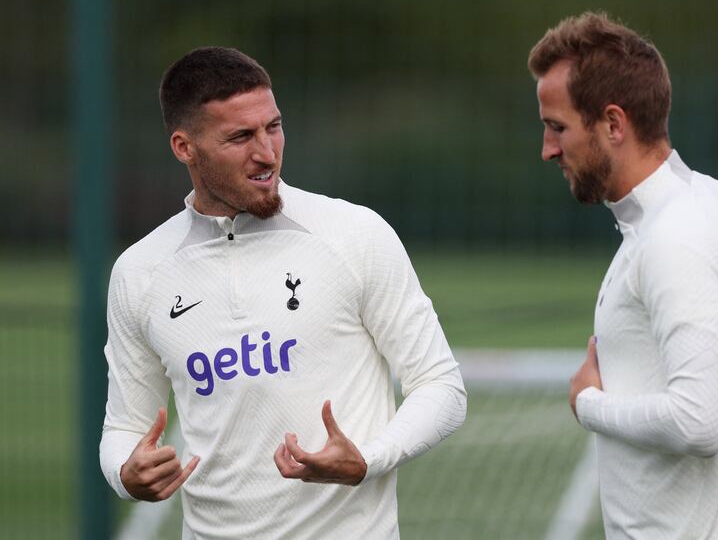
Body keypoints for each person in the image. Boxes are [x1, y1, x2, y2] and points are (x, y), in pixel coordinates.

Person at [99, 46, 467, 539]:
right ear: (184, 147)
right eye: (240, 137)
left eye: (273, 127)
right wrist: (127, 474)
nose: (266, 153)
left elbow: (441, 385)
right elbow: (123, 428)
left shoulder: (354, 234)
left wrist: (368, 460)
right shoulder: (139, 272)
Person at [528, 12, 718, 539]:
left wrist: (589, 404)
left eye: (558, 127)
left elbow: (701, 420)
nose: (548, 149)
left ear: (614, 124)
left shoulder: (676, 237)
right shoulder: (714, 204)